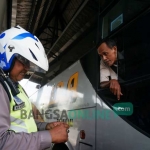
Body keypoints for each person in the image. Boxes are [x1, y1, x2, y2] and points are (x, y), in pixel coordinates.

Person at [0, 25, 69, 150]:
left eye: (28, 63)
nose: (27, 68)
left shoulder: (16, 88)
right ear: (7, 56)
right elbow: (2, 141)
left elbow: (25, 122)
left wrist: (45, 127)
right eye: (23, 60)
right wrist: (49, 136)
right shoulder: (1, 88)